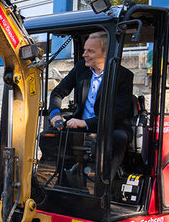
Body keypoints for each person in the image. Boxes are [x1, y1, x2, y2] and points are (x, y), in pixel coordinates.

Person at [45, 31, 133, 182]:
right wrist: (55, 114)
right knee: (48, 136)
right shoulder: (81, 68)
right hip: (81, 123)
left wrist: (86, 123)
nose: (84, 54)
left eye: (90, 51)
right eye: (84, 50)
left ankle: (104, 187)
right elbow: (58, 93)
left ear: (106, 52)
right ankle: (63, 183)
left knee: (119, 138)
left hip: (110, 125)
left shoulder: (123, 76)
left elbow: (119, 113)